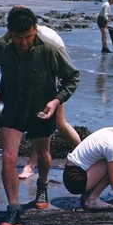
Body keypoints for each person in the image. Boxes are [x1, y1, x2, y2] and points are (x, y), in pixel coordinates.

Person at [0, 6, 80, 225]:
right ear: (10, 33)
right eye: (18, 37)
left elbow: (73, 76)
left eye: (28, 36)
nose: (23, 42)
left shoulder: (50, 50)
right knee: (8, 157)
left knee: (43, 153)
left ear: (35, 28)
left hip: (41, 109)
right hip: (13, 107)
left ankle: (42, 185)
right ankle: (14, 209)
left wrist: (56, 101)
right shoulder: (0, 46)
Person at [17, 25, 81, 179]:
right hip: (43, 77)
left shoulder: (45, 39)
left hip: (55, 79)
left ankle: (31, 165)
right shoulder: (28, 36)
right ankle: (86, 155)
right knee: (60, 124)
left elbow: (65, 71)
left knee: (46, 123)